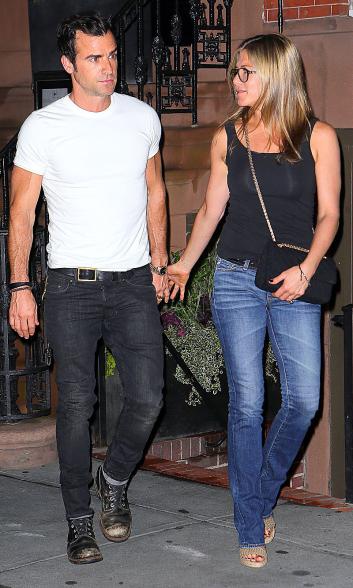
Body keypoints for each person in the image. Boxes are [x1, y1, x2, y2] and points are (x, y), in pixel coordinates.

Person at [167, 33, 340, 568]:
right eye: (235, 71)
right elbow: (213, 209)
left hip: (293, 279)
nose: (236, 80)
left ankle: (259, 495)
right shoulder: (228, 137)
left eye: (247, 71)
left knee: (304, 399)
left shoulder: (319, 136)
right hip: (237, 279)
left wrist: (307, 268)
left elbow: (330, 214)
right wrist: (183, 264)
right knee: (246, 404)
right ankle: (249, 525)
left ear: (277, 75)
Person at [8, 13, 169, 565]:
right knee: (77, 403)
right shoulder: (42, 128)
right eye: (95, 58)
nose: (108, 67)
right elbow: (22, 213)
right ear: (69, 65)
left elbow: (156, 192)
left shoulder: (142, 118)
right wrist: (20, 286)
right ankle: (80, 521)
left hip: (132, 283)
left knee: (148, 396)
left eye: (112, 55)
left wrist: (162, 260)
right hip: (71, 286)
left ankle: (115, 478)